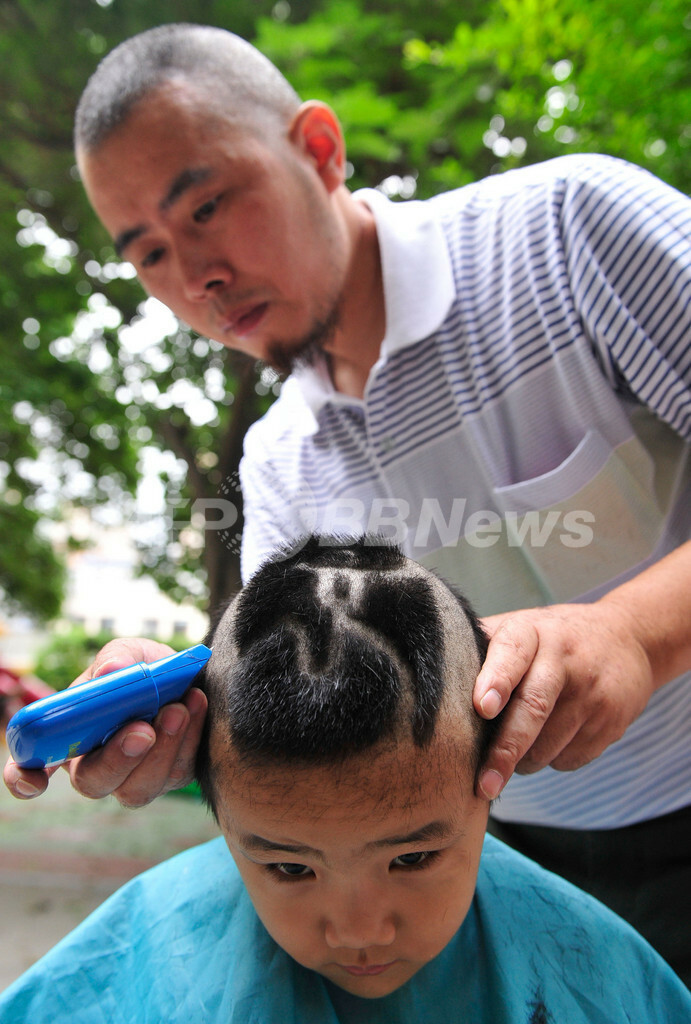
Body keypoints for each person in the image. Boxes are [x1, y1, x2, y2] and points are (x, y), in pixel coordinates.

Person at [3, 23, 690, 981]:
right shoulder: (279, 462)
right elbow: (312, 711)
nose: (193, 278)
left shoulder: (569, 237)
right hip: (478, 863)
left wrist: (632, 633)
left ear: (318, 149)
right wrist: (189, 707)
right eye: (149, 253)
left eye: (205, 206)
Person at [1, 538, 689, 1022]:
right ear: (217, 808)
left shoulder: (593, 967)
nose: (361, 931)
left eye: (412, 857)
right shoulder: (147, 941)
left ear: (497, 768)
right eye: (289, 868)